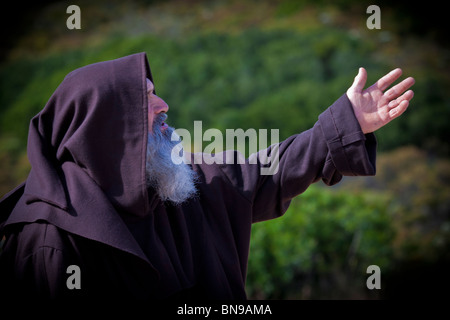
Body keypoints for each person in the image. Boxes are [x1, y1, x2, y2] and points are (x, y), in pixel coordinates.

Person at [0, 52, 414, 299]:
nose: (162, 105)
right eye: (144, 98)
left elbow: (270, 171)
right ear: (106, 123)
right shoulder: (48, 243)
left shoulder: (176, 184)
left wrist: (348, 123)